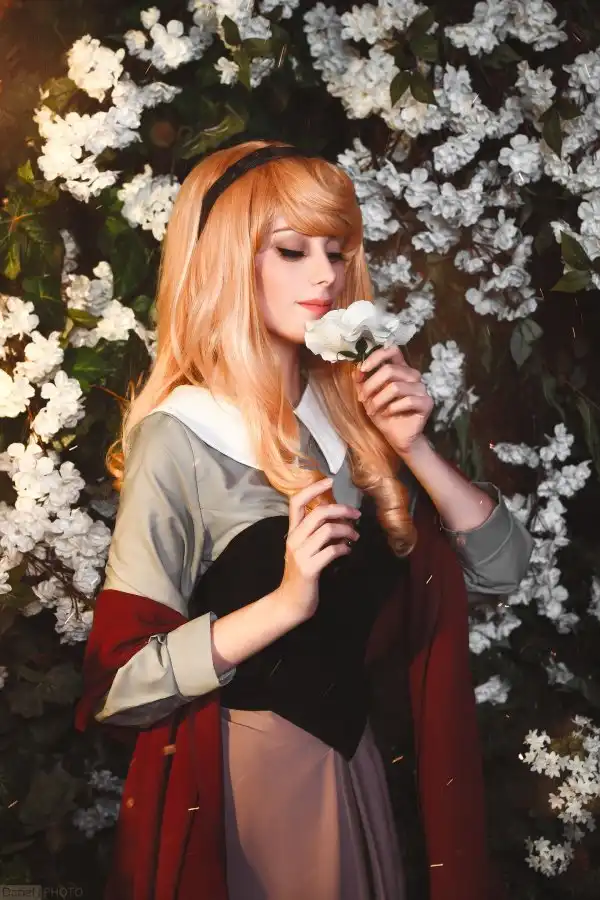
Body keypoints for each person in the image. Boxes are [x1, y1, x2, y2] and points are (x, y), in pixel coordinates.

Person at [75, 140, 533, 900]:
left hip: (359, 771)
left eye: (336, 250)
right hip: (249, 789)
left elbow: (502, 572)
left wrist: (414, 448)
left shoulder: (354, 416)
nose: (325, 274)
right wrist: (285, 603)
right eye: (292, 250)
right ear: (227, 262)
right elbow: (119, 685)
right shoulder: (180, 435)